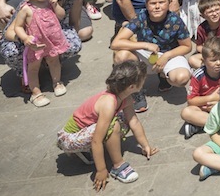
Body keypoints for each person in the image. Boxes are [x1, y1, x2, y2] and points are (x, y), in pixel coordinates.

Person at [55, 60, 156, 189]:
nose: (145, 80)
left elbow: (134, 121)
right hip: (68, 138)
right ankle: (118, 166)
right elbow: (96, 141)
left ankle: (90, 151)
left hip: (87, 130)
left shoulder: (126, 97)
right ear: (131, 87)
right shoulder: (108, 103)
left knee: (123, 120)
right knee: (113, 126)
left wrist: (145, 145)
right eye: (143, 79)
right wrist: (102, 170)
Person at [6, 0, 70, 106]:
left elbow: (61, 15)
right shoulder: (26, 9)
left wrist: (56, 5)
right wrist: (25, 38)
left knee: (54, 61)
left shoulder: (49, 3)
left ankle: (57, 81)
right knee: (33, 68)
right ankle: (36, 93)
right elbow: (17, 27)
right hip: (36, 44)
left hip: (52, 41)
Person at [180, 35, 220, 139]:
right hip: (205, 108)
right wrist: (211, 98)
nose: (218, 63)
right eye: (213, 60)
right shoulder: (198, 75)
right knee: (186, 112)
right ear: (204, 60)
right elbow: (191, 101)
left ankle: (200, 125)